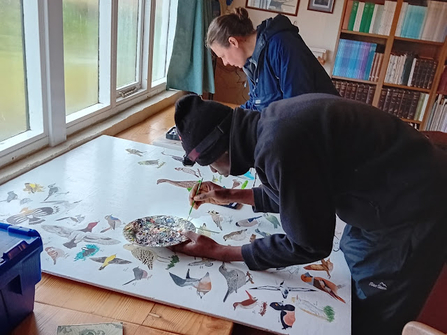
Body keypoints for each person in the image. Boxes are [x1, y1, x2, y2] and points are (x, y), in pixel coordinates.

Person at [172, 93, 447, 335]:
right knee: (348, 273)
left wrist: (221, 251)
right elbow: (297, 191)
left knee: (369, 313)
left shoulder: (280, 145)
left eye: (208, 163)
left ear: (221, 149)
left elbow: (308, 244)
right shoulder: (268, 125)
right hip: (379, 190)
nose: (211, 170)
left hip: (415, 208)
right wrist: (230, 195)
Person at [206, 7, 339, 111]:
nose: (225, 63)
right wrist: (228, 119)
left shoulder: (282, 44)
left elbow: (297, 108)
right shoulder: (252, 61)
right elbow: (256, 104)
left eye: (223, 56)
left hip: (323, 132)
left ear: (233, 42)